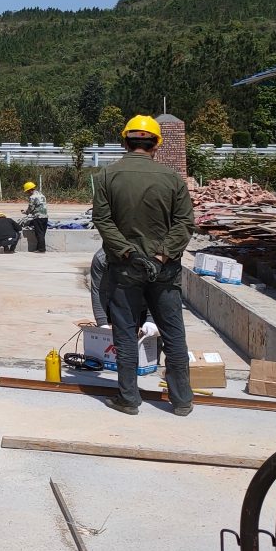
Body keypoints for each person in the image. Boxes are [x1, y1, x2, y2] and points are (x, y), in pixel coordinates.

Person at [92, 114, 196, 416]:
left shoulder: (107, 176)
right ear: (156, 145)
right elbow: (184, 223)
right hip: (165, 271)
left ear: (125, 142)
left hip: (125, 270)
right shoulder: (172, 178)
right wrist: (160, 257)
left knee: (125, 334)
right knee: (173, 334)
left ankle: (129, 399)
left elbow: (103, 221)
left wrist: (129, 253)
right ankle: (182, 401)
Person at [23, 181, 48, 253]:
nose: (27, 193)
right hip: (45, 216)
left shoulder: (32, 197)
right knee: (42, 233)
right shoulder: (42, 195)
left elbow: (31, 208)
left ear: (29, 190)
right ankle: (39, 248)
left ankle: (41, 249)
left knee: (39, 233)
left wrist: (25, 212)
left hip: (38, 217)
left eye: (27, 191)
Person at [89, 248, 109, 326]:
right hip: (115, 309)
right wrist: (102, 323)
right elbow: (99, 291)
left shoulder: (142, 255)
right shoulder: (101, 258)